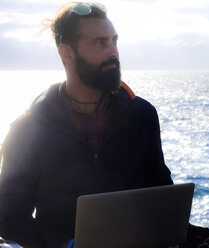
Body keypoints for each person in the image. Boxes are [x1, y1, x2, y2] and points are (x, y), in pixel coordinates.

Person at [0, 2, 176, 248]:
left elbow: (161, 188)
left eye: (114, 41)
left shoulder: (141, 114)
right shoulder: (26, 130)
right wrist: (67, 245)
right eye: (99, 43)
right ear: (66, 53)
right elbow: (9, 217)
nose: (113, 52)